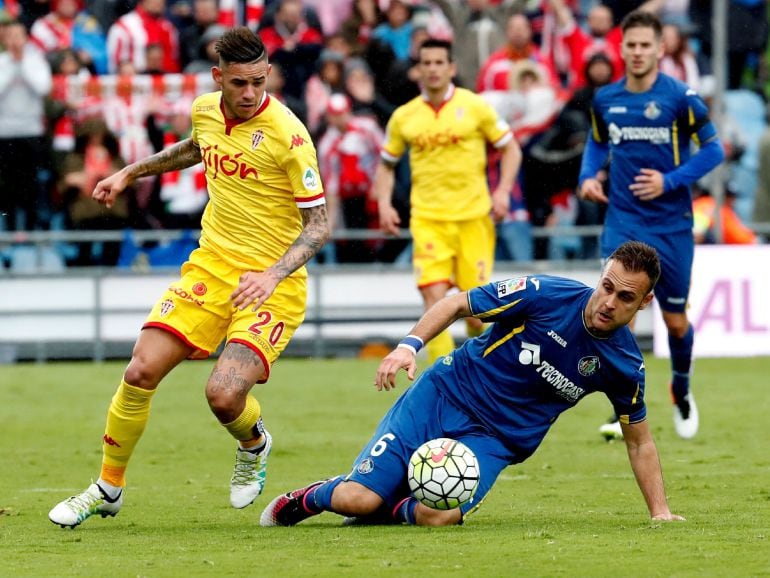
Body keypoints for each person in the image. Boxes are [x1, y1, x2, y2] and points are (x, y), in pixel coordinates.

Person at [48, 26, 329, 528]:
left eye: (258, 83)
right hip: (211, 267)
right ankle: (108, 487)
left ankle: (253, 442)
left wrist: (271, 273)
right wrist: (129, 172)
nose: (249, 94)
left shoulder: (289, 135)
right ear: (218, 77)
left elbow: (319, 225)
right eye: (239, 83)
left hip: (273, 283)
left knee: (223, 394)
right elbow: (196, 146)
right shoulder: (205, 109)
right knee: (139, 371)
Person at [259, 241, 685, 527]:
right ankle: (312, 497)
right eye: (607, 287)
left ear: (645, 302)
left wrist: (660, 512)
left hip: (497, 440)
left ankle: (385, 504)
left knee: (436, 517)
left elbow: (639, 441)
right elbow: (457, 302)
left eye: (625, 297)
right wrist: (409, 345)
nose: (609, 303)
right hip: (444, 395)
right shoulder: (545, 294)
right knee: (356, 500)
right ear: (601, 275)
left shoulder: (625, 365)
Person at [577, 11, 725, 441]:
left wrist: (670, 180)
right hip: (623, 219)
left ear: (661, 49)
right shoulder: (606, 99)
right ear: (621, 48)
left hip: (671, 224)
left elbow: (713, 151)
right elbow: (597, 141)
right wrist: (589, 175)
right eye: (632, 45)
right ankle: (623, 406)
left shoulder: (681, 97)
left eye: (646, 45)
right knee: (615, 313)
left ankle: (680, 388)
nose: (638, 52)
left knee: (675, 322)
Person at [375, 37, 522, 364]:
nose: (433, 69)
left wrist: (502, 191)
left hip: (473, 220)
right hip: (429, 221)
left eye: (439, 63)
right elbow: (386, 164)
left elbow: (511, 148)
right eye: (426, 63)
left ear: (451, 67)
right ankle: (442, 378)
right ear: (418, 70)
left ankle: (478, 365)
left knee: (477, 315)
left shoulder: (476, 106)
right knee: (433, 300)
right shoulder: (404, 117)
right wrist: (384, 203)